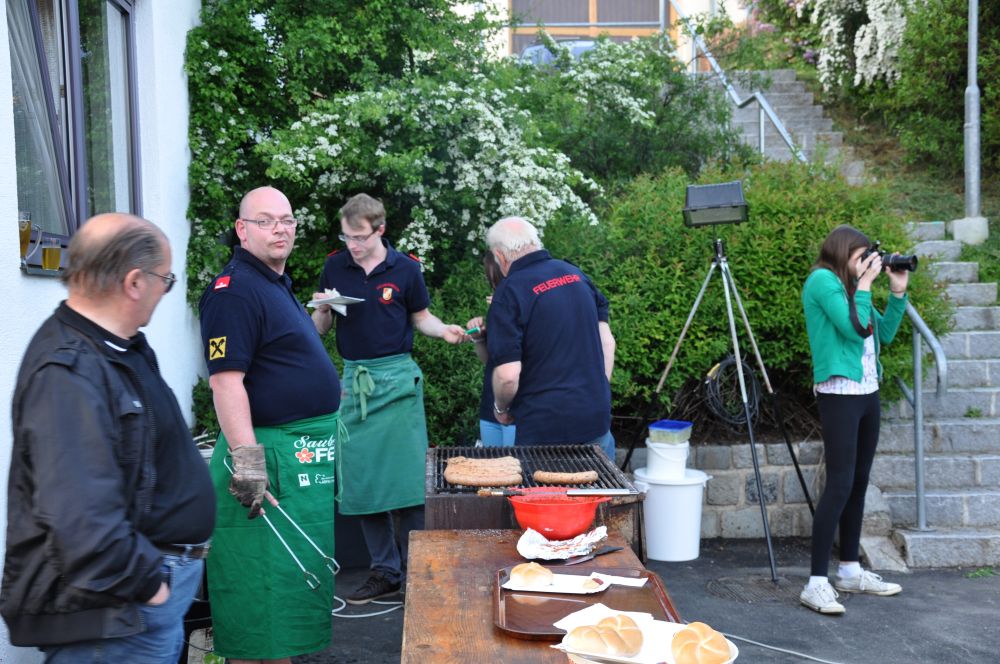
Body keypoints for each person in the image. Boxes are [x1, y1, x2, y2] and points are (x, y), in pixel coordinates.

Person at [2, 214, 214, 663]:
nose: (165, 290)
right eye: (166, 279)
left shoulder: (119, 346)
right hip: (119, 616)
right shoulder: (67, 374)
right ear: (135, 281)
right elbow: (81, 519)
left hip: (141, 606)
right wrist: (151, 586)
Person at [199, 186, 343, 662]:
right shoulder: (234, 290)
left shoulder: (272, 281)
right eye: (266, 220)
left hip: (300, 456)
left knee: (289, 589)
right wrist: (246, 460)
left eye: (287, 220)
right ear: (242, 230)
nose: (280, 228)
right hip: (268, 457)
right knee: (262, 595)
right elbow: (226, 383)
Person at [312, 193, 465, 604]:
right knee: (362, 483)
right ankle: (384, 571)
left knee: (407, 482)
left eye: (360, 237)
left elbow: (421, 319)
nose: (353, 245)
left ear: (380, 230)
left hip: (397, 381)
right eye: (347, 237)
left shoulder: (406, 269)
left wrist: (444, 330)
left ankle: (418, 569)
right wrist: (323, 309)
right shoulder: (334, 265)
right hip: (355, 381)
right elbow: (320, 329)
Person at [800, 224, 908, 615]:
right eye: (861, 256)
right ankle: (815, 582)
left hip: (868, 393)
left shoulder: (850, 287)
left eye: (870, 257)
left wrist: (896, 292)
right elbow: (853, 328)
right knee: (840, 483)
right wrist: (864, 286)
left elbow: (883, 333)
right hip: (840, 395)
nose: (868, 263)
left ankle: (848, 569)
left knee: (859, 483)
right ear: (842, 253)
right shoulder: (822, 281)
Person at [485, 216, 617, 459]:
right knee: (596, 494)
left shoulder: (509, 292)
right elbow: (608, 343)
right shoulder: (575, 275)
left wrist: (500, 408)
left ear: (500, 256)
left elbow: (507, 375)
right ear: (535, 242)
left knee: (546, 497)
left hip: (545, 431)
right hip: (595, 417)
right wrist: (598, 392)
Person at [466, 252, 516, 447]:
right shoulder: (496, 310)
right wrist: (479, 338)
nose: (494, 287)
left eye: (496, 281)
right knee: (491, 469)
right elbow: (491, 360)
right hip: (491, 403)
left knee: (516, 469)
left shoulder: (527, 308)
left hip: (519, 408)